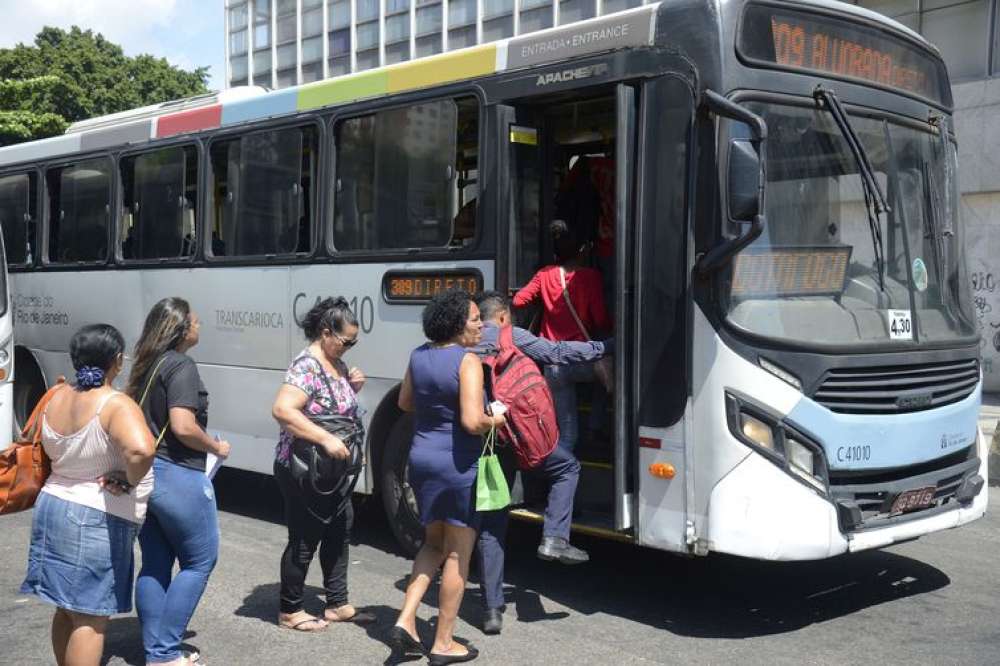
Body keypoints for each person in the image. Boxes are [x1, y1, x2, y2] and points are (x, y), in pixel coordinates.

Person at [472, 291, 612, 634]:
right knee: (567, 468)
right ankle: (554, 536)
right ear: (503, 316)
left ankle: (492, 611)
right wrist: (604, 348)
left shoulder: (468, 344)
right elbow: (558, 353)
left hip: (491, 443)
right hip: (530, 439)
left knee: (492, 525)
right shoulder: (512, 336)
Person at [20, 324, 155, 666]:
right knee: (90, 618)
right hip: (93, 515)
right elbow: (141, 450)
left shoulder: (56, 395)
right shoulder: (115, 404)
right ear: (118, 361)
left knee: (65, 608)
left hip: (52, 505)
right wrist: (128, 479)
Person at [390, 289, 506, 665]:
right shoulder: (468, 361)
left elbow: (404, 403)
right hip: (456, 465)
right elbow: (473, 422)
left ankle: (406, 619)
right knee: (458, 552)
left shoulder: (418, 355)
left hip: (421, 460)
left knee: (432, 544)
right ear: (457, 325)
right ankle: (443, 642)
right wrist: (497, 419)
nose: (480, 325)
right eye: (474, 319)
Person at [128, 297, 230, 666]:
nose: (200, 326)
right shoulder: (182, 365)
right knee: (199, 562)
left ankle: (156, 650)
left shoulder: (145, 366)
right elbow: (185, 426)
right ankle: (165, 653)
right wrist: (215, 445)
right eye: (197, 321)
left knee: (155, 564)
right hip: (178, 475)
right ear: (182, 328)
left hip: (147, 476)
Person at [271, 297, 371, 632]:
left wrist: (352, 387)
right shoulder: (307, 366)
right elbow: (284, 410)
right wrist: (326, 439)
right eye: (347, 341)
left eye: (355, 342)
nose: (350, 347)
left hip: (334, 471)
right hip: (305, 469)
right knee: (305, 536)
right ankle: (290, 609)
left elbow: (334, 407)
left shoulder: (335, 363)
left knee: (339, 530)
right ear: (326, 332)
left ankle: (337, 602)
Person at [512, 219, 613, 453]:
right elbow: (600, 320)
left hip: (552, 363)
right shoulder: (589, 277)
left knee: (566, 432)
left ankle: (561, 470)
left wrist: (544, 300)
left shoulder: (544, 274)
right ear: (582, 251)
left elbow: (518, 301)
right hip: (581, 360)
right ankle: (596, 426)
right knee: (607, 376)